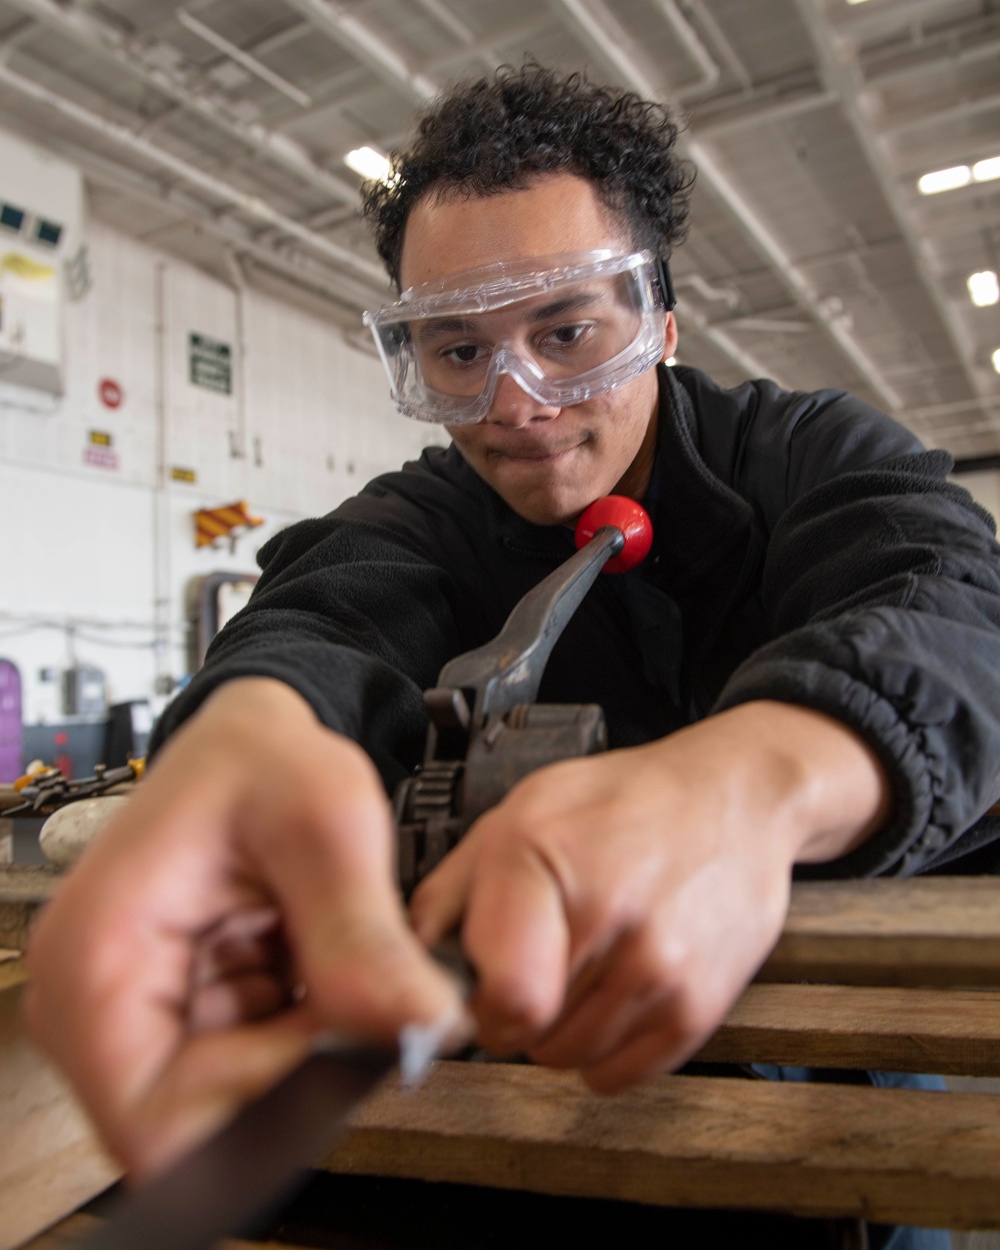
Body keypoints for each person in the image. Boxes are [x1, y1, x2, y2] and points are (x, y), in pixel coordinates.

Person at [25, 64, 1000, 1246]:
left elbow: (951, 607)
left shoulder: (806, 455)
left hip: (823, 1122)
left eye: (566, 331)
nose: (515, 401)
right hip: (530, 1103)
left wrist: (755, 783)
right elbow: (325, 613)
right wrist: (243, 746)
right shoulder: (424, 515)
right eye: (454, 352)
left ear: (660, 320)